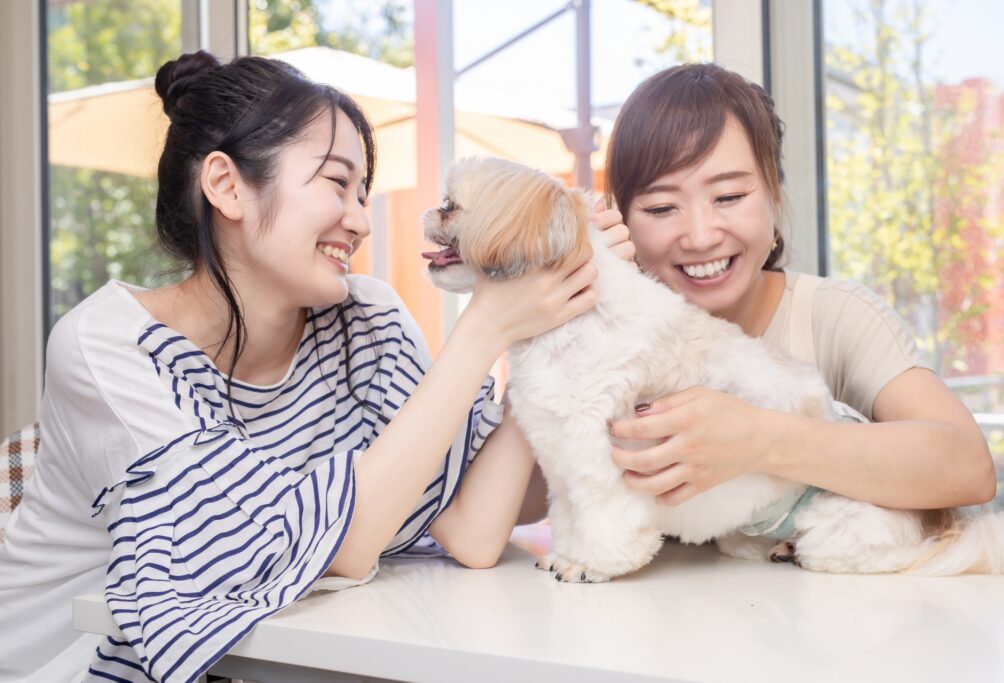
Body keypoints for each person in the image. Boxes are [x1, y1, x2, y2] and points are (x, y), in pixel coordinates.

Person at [0, 51, 610, 683]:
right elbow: (330, 546)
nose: (360, 219)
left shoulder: (366, 317)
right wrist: (485, 326)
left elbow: (471, 530)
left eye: (363, 192)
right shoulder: (112, 347)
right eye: (336, 183)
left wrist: (539, 336)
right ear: (227, 186)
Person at [603, 63, 995, 513]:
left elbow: (969, 467)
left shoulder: (834, 316)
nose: (700, 235)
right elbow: (518, 514)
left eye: (729, 197)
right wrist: (564, 308)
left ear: (775, 195)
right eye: (661, 207)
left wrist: (760, 439)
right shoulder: (606, 335)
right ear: (622, 221)